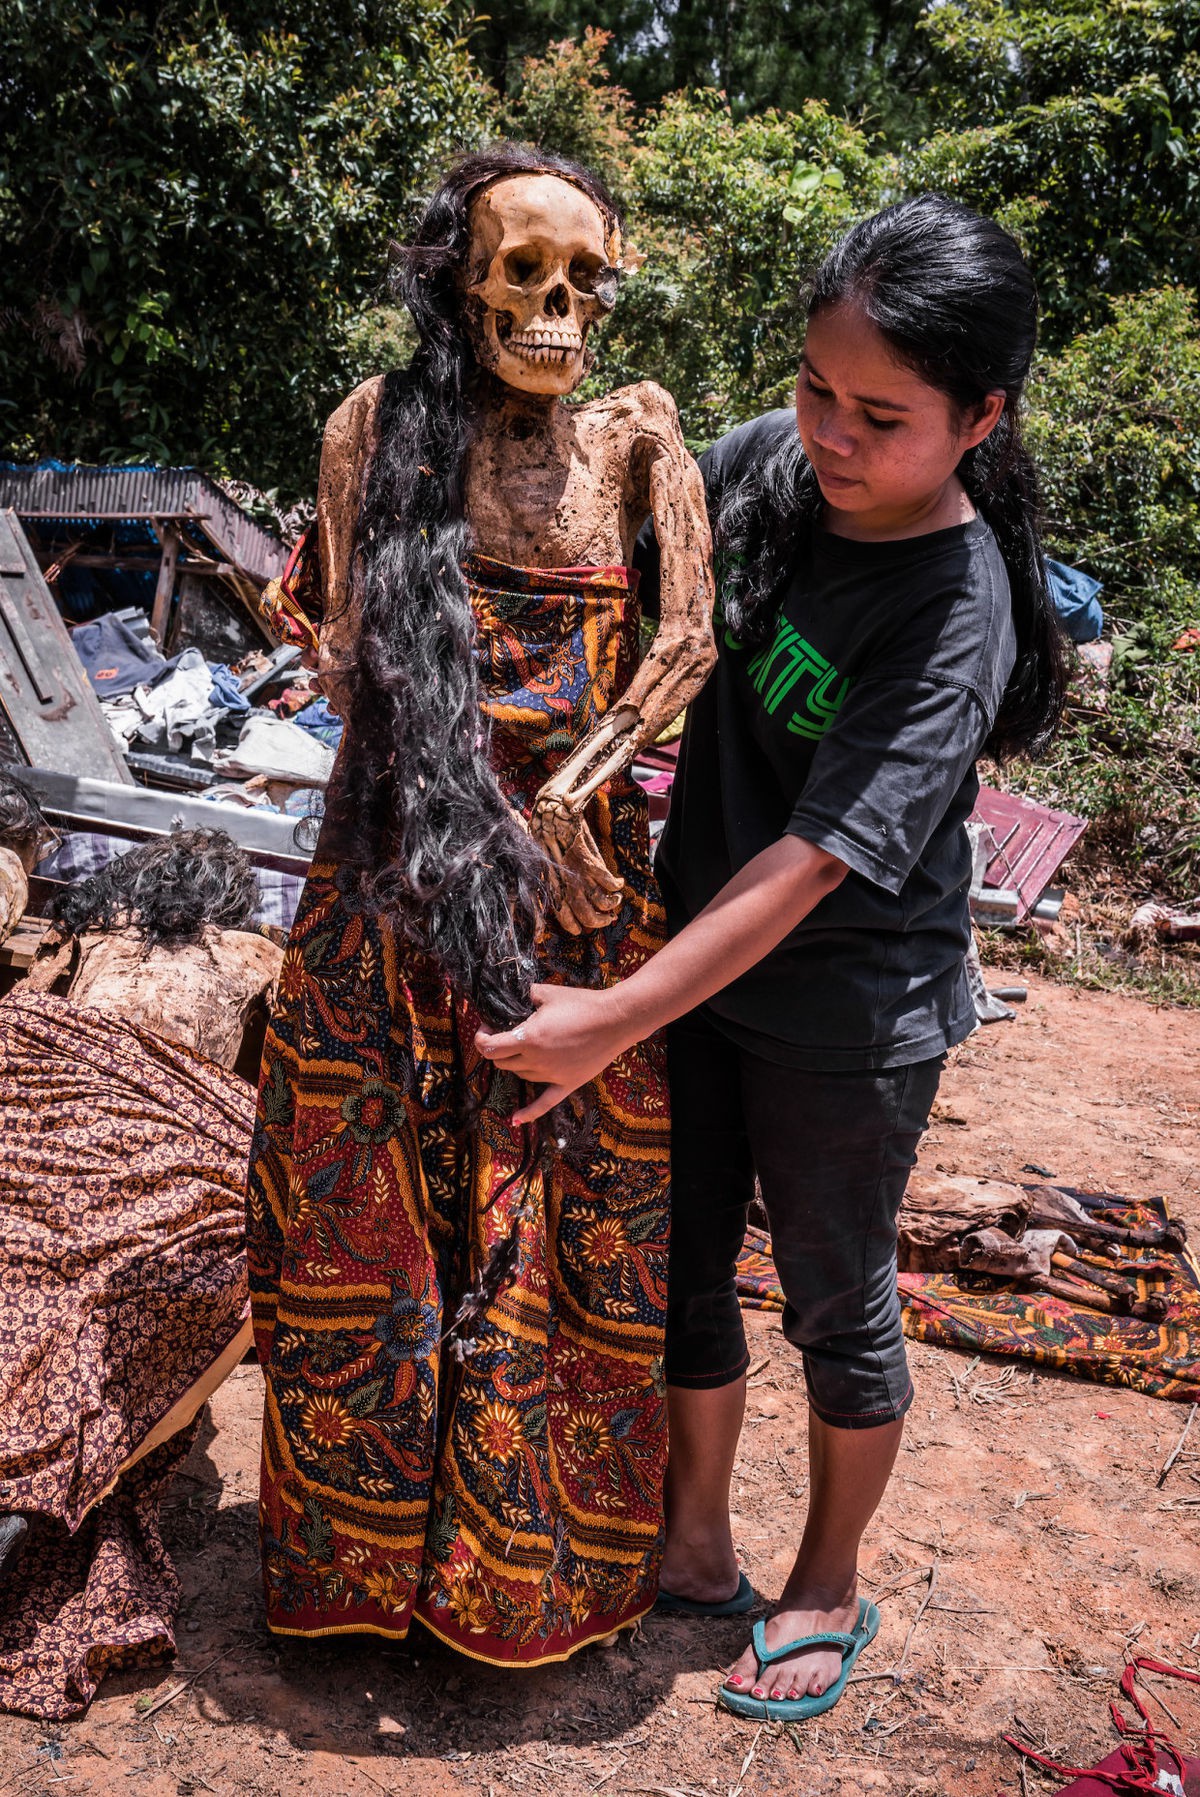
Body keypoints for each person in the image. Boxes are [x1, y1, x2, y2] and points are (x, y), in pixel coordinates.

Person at [477, 194, 1068, 1717]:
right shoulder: (767, 470)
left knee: (833, 1294)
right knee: (683, 1261)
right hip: (692, 963)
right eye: (814, 388)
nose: (831, 432)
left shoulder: (952, 612)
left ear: (979, 419)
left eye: (883, 414)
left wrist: (611, 1015)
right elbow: (603, 513)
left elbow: (812, 866)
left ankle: (827, 1583)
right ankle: (689, 1541)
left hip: (844, 1011)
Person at [245, 146, 714, 1664]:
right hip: (386, 881)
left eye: (587, 279)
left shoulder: (644, 444)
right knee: (359, 1224)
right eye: (526, 273)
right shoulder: (374, 429)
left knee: (566, 1229)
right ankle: (358, 1579)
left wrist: (573, 790)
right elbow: (339, 653)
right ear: (464, 273)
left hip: (568, 908)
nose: (559, 308)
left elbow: (688, 647)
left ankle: (521, 1584)